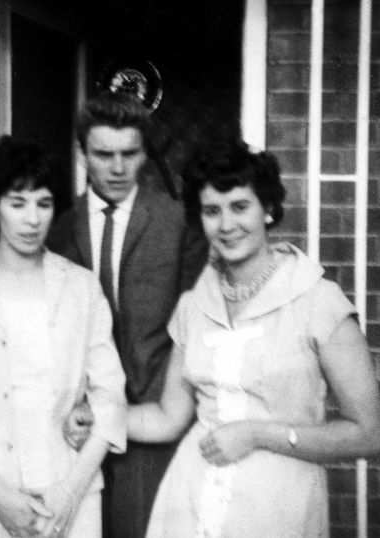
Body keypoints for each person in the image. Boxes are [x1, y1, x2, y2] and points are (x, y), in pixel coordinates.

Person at [127, 140, 380, 537]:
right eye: (212, 211)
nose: (226, 225)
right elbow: (167, 418)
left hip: (278, 508)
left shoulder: (316, 299)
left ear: (267, 209)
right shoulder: (195, 305)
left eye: (240, 206)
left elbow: (369, 434)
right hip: (191, 501)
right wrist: (101, 417)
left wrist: (257, 434)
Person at [47, 93, 207, 538]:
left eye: (129, 153)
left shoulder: (178, 224)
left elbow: (192, 330)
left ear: (145, 153)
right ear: (83, 154)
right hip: (71, 427)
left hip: (150, 422)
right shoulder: (54, 227)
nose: (117, 168)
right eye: (103, 154)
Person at [0, 136, 127, 538]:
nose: (32, 219)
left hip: (69, 493)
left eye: (43, 204)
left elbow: (110, 397)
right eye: (18, 203)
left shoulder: (81, 287)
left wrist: (70, 491)